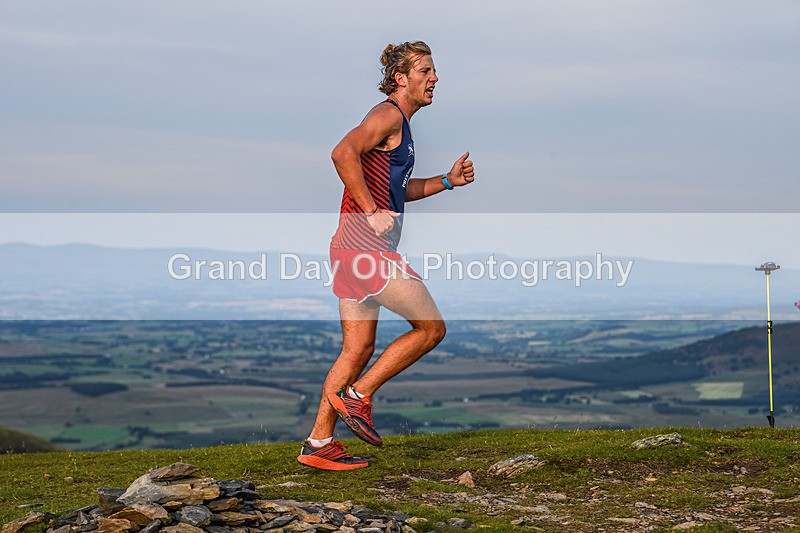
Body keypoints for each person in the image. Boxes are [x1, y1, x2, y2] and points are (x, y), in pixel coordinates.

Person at [297, 41, 475, 471]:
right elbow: (342, 153)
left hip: (348, 247)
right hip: (364, 248)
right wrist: (372, 210)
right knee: (431, 328)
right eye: (426, 71)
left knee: (357, 349)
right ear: (402, 78)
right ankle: (358, 397)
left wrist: (446, 183)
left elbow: (400, 190)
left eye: (435, 71)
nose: (435, 78)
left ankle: (318, 443)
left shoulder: (400, 127)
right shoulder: (388, 114)